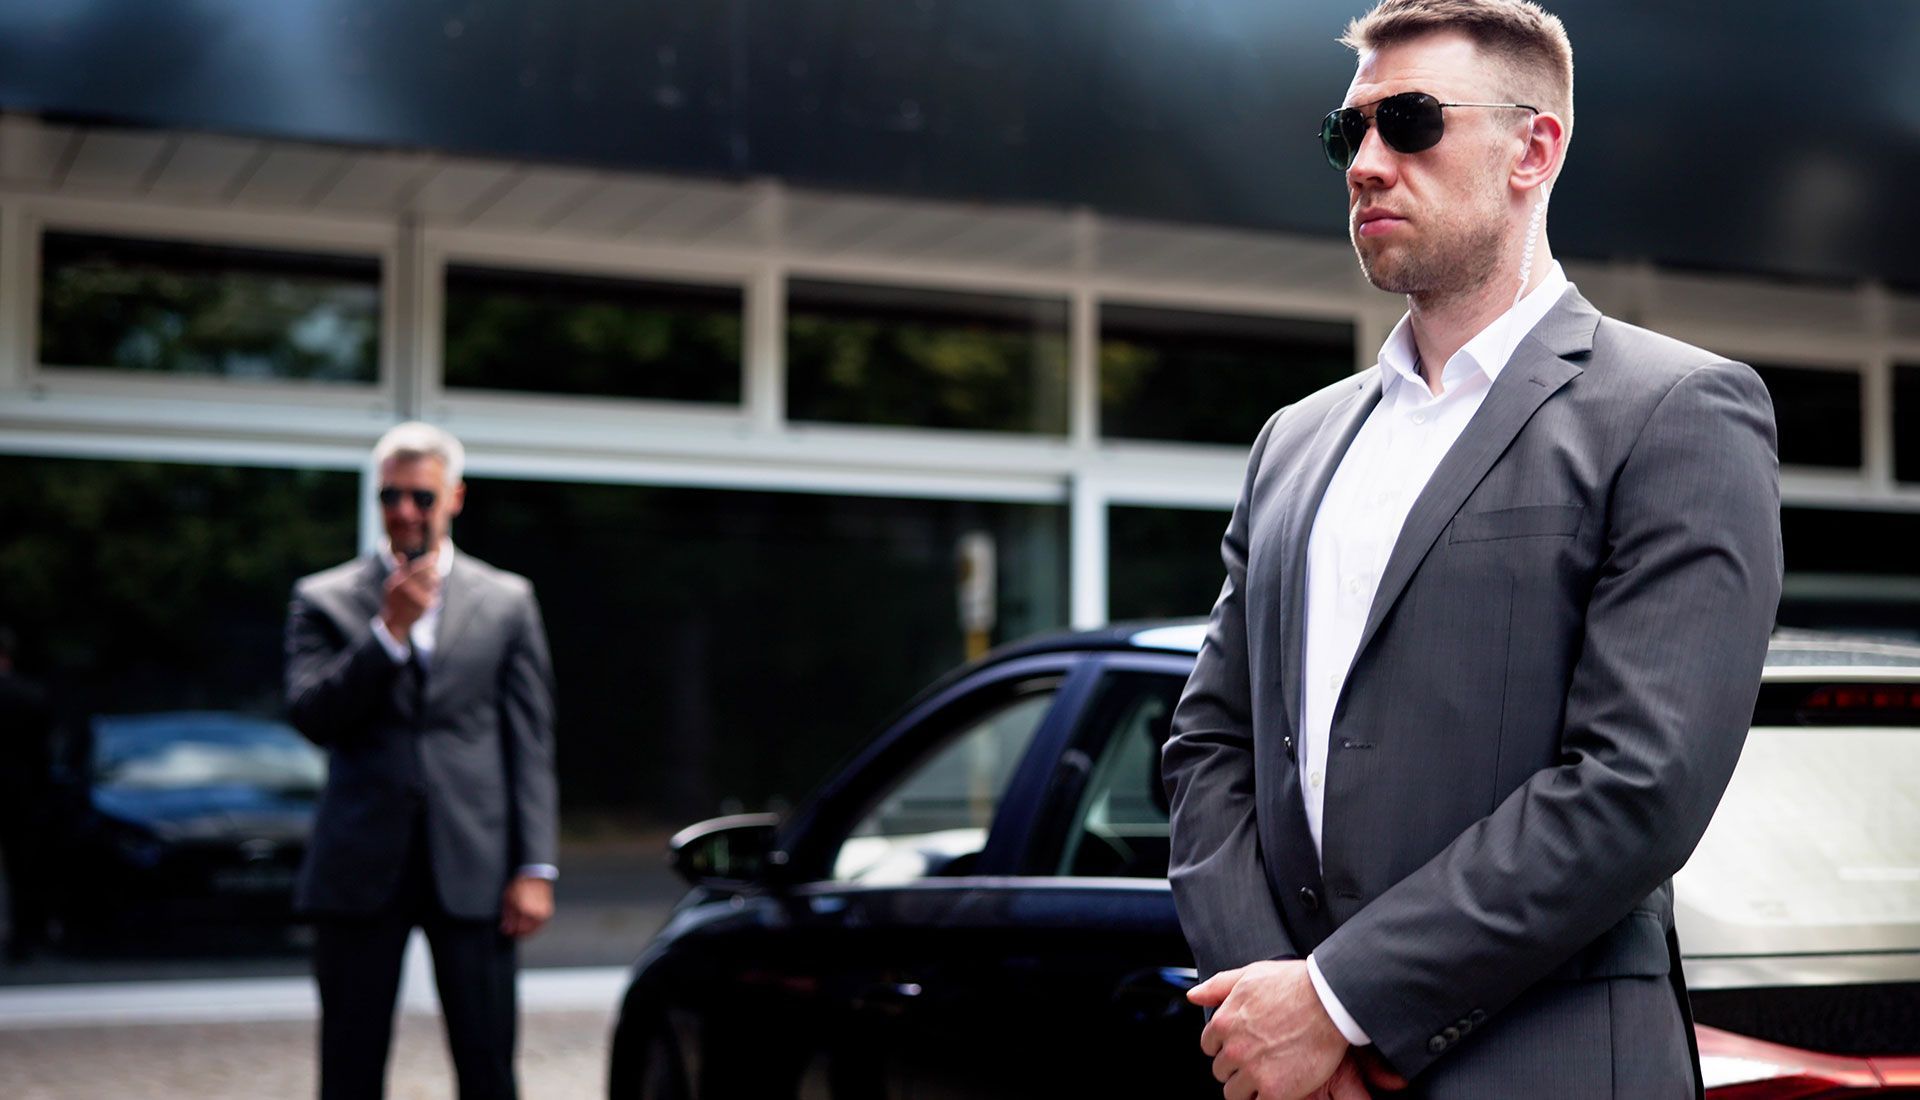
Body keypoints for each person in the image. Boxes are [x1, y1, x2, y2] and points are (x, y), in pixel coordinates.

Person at [1161, 1, 1782, 1097]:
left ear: (1533, 149)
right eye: (1347, 131)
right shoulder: (1294, 441)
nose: (1366, 163)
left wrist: (1339, 1000)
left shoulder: (1676, 411)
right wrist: (1276, 1004)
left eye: (1409, 121)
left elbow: (1637, 784)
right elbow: (1209, 745)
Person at [286, 422, 558, 1100]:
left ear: (454, 497)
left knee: (488, 1060)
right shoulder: (323, 598)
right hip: (359, 863)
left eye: (421, 496)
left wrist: (534, 866)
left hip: (474, 862)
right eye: (390, 496)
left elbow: (529, 740)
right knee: (349, 1064)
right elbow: (312, 716)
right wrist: (388, 633)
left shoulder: (507, 600)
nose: (405, 511)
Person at [0, 626, 54, 962]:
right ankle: (25, 940)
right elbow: (43, 752)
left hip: (21, 791)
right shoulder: (29, 694)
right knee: (24, 869)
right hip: (21, 793)